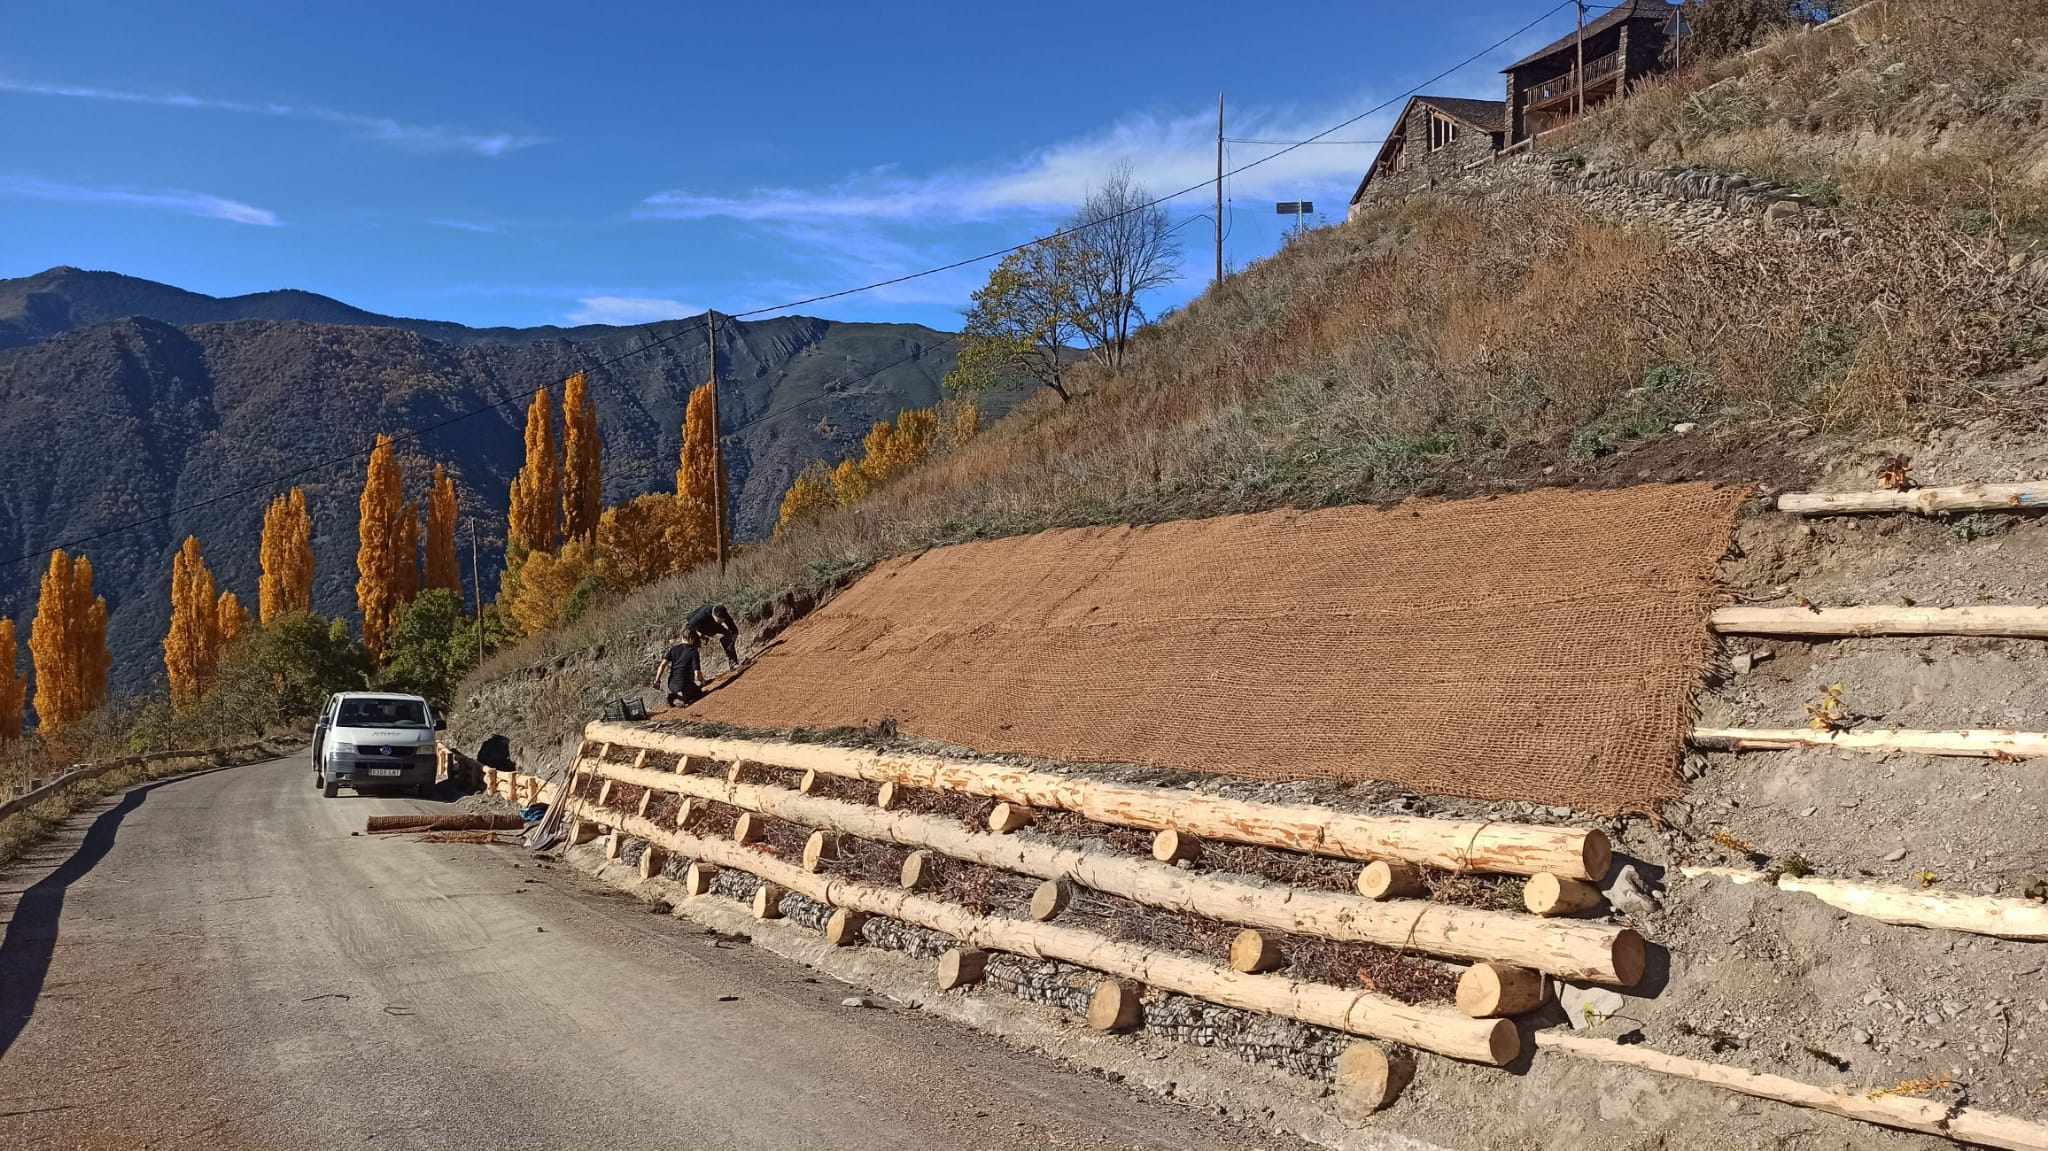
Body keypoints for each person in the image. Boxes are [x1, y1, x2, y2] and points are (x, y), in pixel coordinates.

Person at [655, 631, 705, 708]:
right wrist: (702, 681)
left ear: (682, 637)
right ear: (691, 639)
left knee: (687, 691)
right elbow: (697, 673)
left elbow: (662, 665)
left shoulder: (673, 649)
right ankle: (679, 697)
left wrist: (657, 680)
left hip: (671, 684)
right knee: (699, 692)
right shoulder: (693, 652)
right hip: (685, 684)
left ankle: (676, 695)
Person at [685, 603, 740, 668]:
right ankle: (694, 672)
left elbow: (733, 628)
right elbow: (689, 626)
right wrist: (701, 635)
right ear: (714, 615)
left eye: (723, 620)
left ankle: (733, 663)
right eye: (720, 620)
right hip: (697, 627)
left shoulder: (723, 613)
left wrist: (732, 641)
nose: (722, 622)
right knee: (692, 648)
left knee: (727, 635)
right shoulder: (702, 615)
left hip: (710, 624)